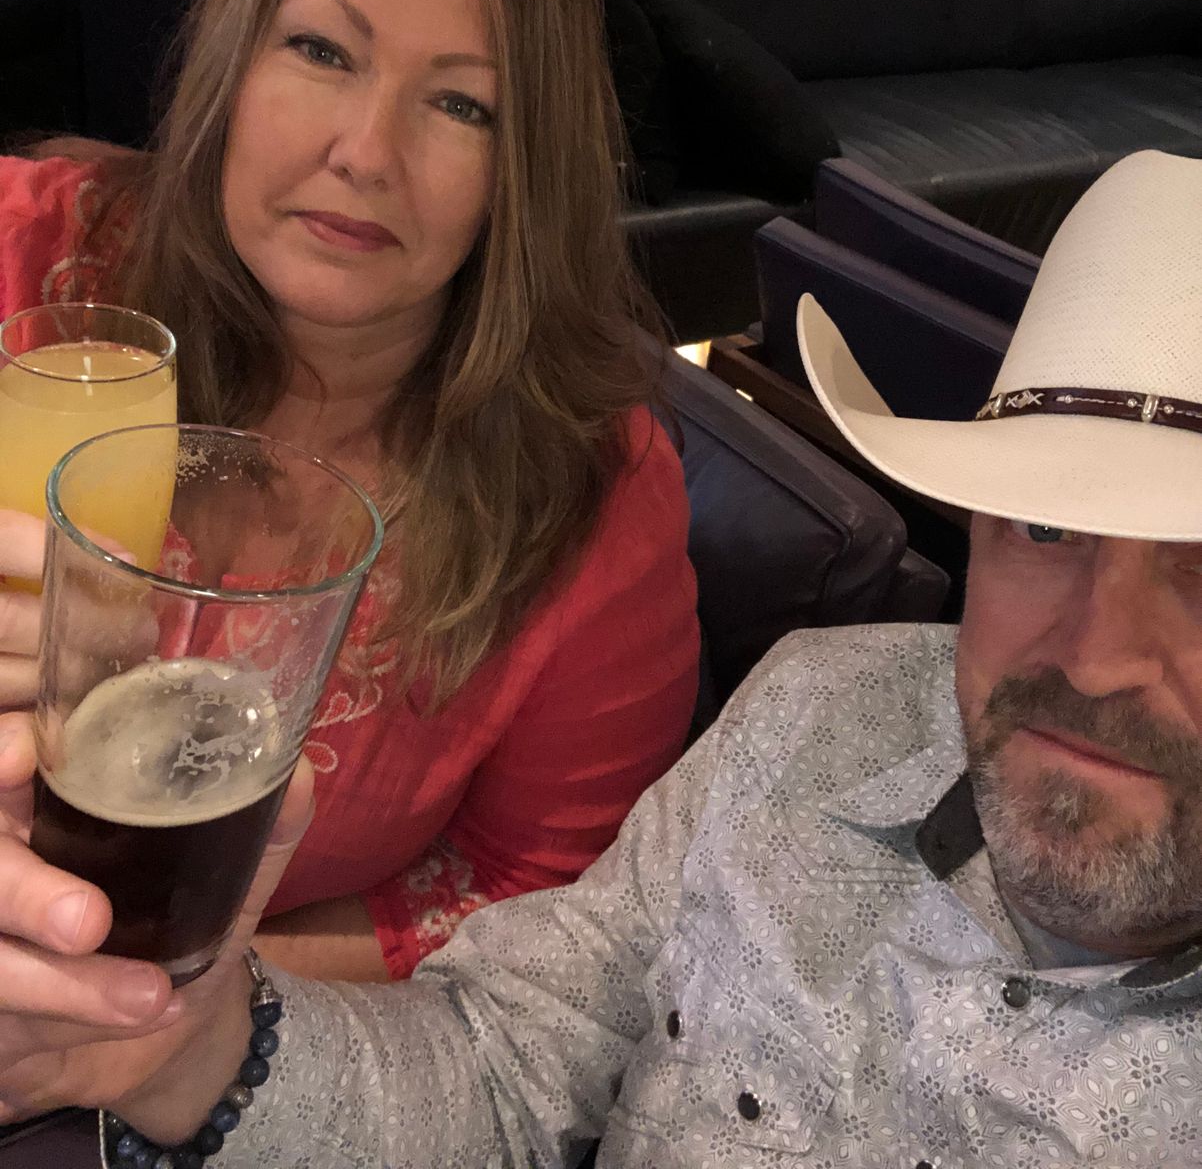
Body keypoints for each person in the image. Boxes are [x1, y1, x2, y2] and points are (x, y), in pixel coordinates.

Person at [3, 146, 1202, 1164]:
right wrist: (198, 1052)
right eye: (1046, 528)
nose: (1095, 657)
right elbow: (504, 1065)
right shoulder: (816, 709)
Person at [0, 0, 699, 986]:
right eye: (321, 51)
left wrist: (180, 1005)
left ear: (522, 172)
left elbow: (534, 895)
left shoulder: (590, 496)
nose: (366, 152)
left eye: (462, 105)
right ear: (232, 59)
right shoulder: (30, 261)